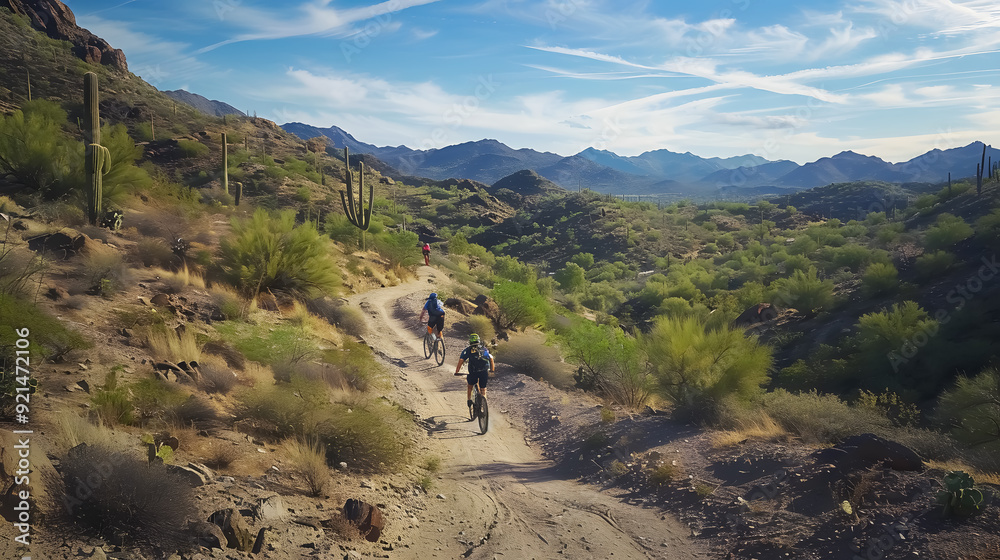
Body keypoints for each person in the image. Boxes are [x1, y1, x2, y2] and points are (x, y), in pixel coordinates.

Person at [454, 333, 495, 414]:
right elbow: (491, 358)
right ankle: (484, 405)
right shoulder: (484, 349)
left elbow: (461, 360)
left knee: (470, 386)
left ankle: (469, 400)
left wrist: (457, 371)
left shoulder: (468, 350)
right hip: (484, 371)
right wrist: (492, 370)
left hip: (473, 372)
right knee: (483, 389)